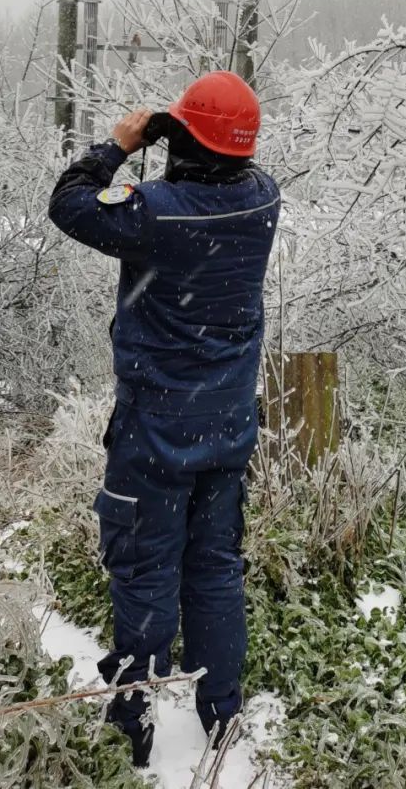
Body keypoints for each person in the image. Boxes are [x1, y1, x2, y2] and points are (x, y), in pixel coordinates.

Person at [48, 69, 280, 768]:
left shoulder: (160, 212)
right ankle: (223, 714)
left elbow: (70, 203)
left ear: (185, 141)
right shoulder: (262, 200)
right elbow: (225, 163)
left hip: (154, 434)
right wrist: (190, 130)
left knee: (145, 572)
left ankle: (134, 719)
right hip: (227, 428)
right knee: (214, 569)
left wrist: (119, 143)